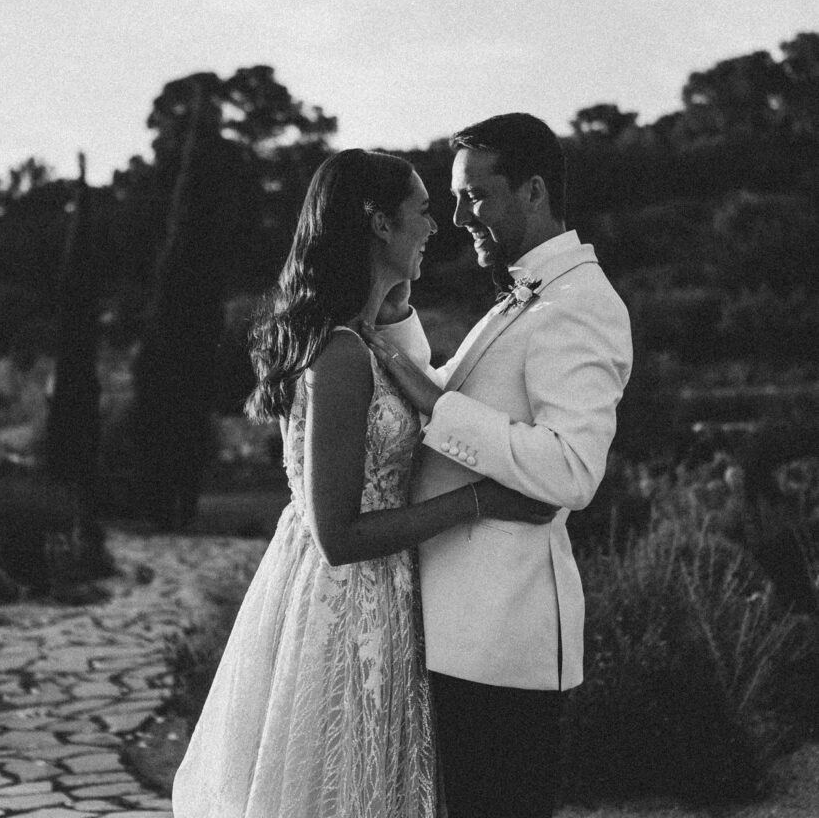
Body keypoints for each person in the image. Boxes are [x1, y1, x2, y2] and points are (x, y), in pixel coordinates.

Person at [172, 148, 553, 818]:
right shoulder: (343, 354)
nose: (435, 228)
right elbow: (338, 537)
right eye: (422, 212)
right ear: (379, 223)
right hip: (352, 604)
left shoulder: (366, 336)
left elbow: (419, 384)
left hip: (385, 593)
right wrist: (480, 501)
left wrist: (396, 299)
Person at [364, 114, 633, 818]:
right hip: (461, 637)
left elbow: (572, 470)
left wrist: (436, 406)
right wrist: (396, 316)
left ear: (534, 190)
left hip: (504, 647)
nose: (457, 218)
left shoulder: (580, 305)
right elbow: (447, 392)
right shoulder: (525, 295)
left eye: (475, 197)